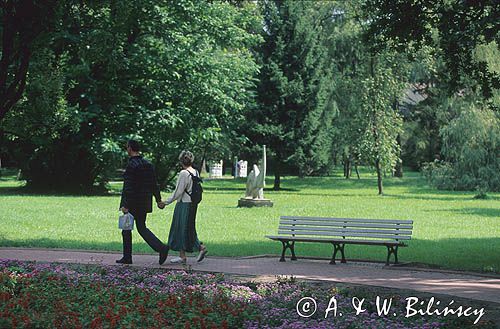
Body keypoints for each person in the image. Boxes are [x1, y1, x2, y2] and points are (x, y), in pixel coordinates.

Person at [118, 140, 169, 265]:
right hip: (144, 202)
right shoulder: (148, 164)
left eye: (127, 147)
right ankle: (161, 248)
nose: (127, 150)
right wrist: (158, 199)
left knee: (126, 229)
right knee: (141, 227)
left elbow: (128, 187)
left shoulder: (131, 165)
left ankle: (127, 257)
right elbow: (153, 184)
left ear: (130, 148)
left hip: (132, 202)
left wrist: (124, 205)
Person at [162, 150, 207, 264]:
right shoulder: (195, 172)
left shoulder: (184, 173)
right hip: (193, 204)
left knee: (181, 228)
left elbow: (178, 192)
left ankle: (185, 255)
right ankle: (196, 249)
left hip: (184, 204)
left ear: (181, 161)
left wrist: (165, 202)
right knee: (188, 228)